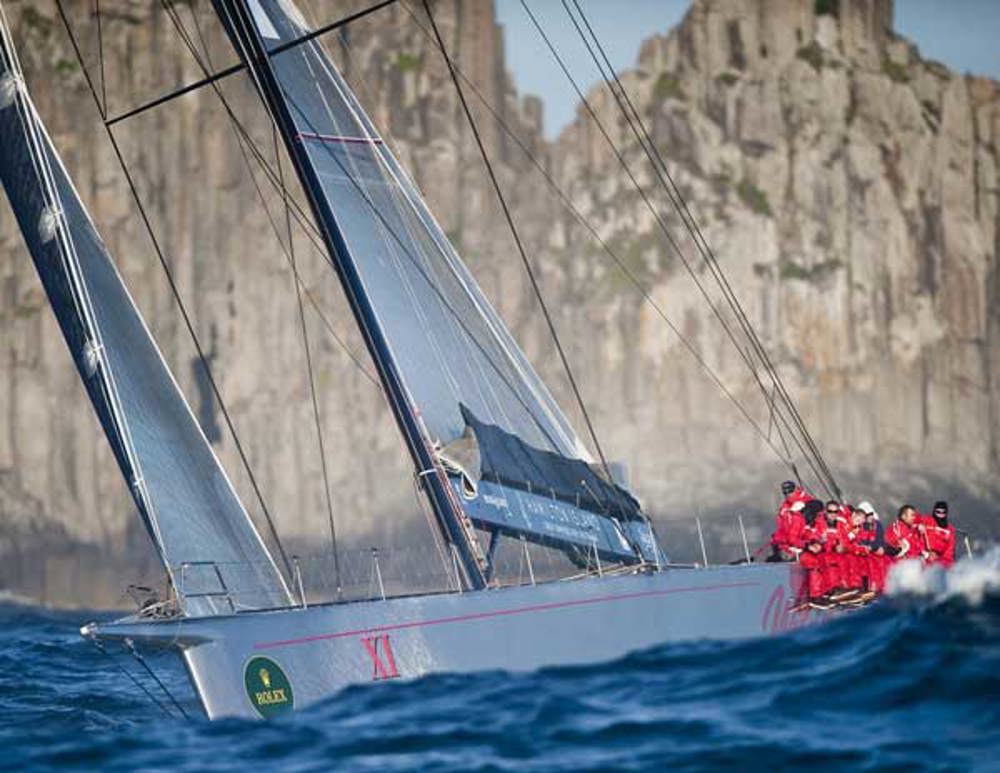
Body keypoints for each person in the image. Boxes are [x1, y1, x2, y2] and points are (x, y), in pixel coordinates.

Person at [769, 481, 813, 561]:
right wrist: (777, 539)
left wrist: (804, 544)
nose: (788, 494)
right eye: (785, 492)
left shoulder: (808, 503)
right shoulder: (784, 507)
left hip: (802, 546)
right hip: (787, 546)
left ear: (796, 489)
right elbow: (781, 528)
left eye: (790, 491)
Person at [856, 501, 888, 593]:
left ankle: (881, 587)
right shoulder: (860, 526)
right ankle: (868, 587)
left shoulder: (877, 524)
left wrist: (881, 547)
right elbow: (861, 542)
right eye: (867, 515)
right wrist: (874, 548)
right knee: (869, 563)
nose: (869, 516)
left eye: (871, 514)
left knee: (883, 561)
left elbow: (881, 539)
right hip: (865, 552)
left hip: (875, 550)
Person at [920, 500, 956, 567]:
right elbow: (914, 520)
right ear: (934, 511)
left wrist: (940, 558)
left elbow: (950, 549)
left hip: (939, 558)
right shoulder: (927, 521)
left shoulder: (949, 530)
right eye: (938, 512)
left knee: (947, 566)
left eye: (943, 512)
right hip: (924, 554)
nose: (940, 515)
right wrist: (918, 525)